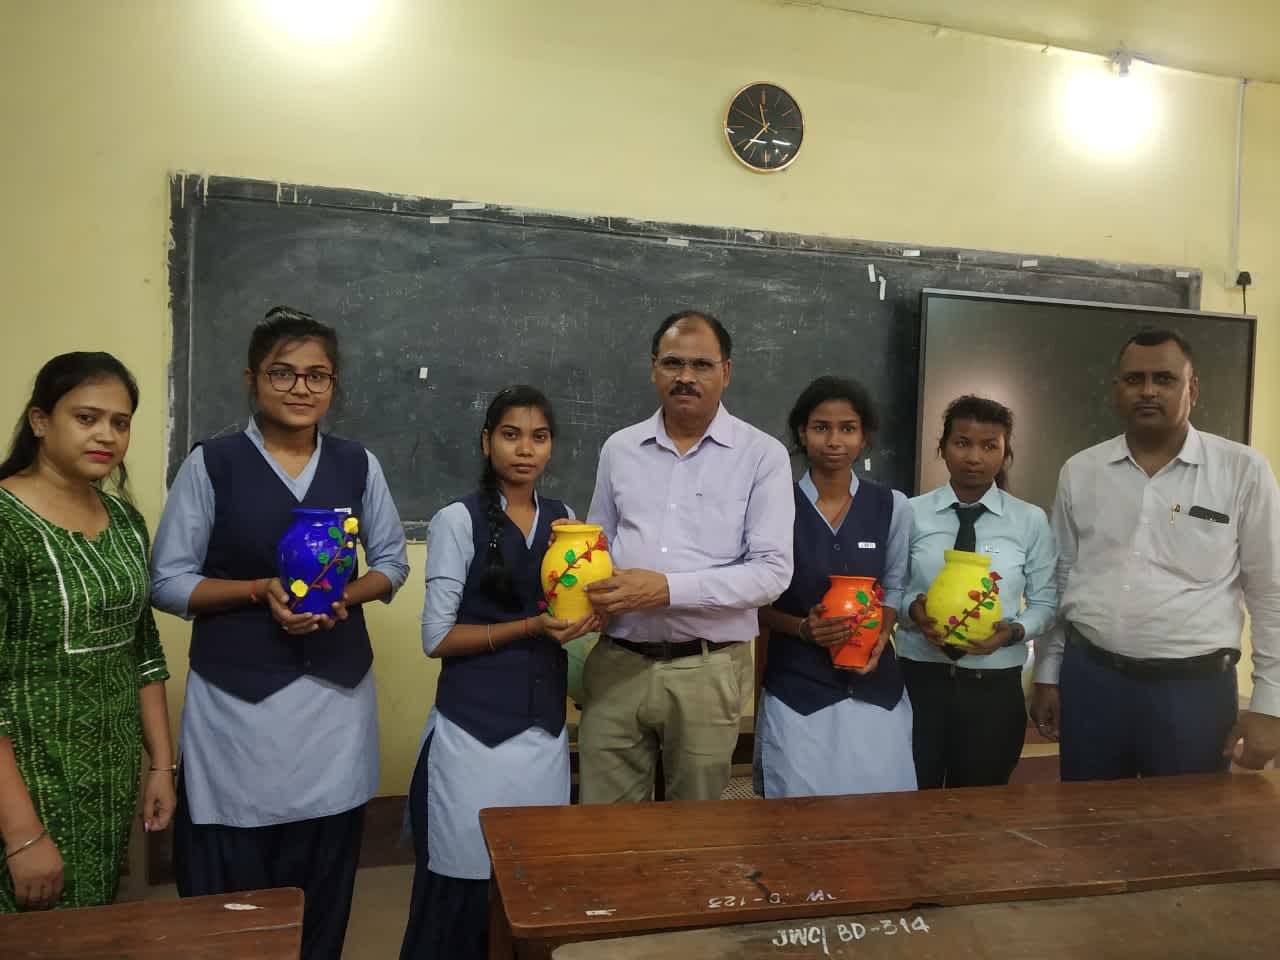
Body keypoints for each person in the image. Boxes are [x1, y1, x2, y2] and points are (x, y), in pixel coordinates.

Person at [150, 307, 409, 960]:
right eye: (283, 373)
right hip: (237, 706)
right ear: (251, 379)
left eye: (317, 375)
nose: (301, 388)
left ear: (334, 384)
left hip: (334, 702)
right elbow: (168, 581)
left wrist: (343, 595)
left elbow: (392, 563)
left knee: (322, 873)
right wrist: (257, 591)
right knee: (234, 882)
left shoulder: (358, 464)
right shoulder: (212, 464)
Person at [399, 385, 598, 960]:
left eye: (539, 437)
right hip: (471, 736)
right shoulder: (456, 520)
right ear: (487, 442)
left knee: (533, 891)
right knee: (461, 894)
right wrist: (531, 627)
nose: (525, 449)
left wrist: (594, 616)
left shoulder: (565, 522)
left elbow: (572, 612)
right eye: (511, 435)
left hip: (543, 734)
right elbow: (437, 638)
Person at [1031, 329, 1280, 778]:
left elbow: (1271, 592)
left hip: (1195, 692)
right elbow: (1060, 577)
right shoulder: (1080, 471)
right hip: (1092, 683)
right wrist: (1047, 672)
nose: (1148, 391)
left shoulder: (1243, 471)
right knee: (1088, 817)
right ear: (1116, 390)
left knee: (1188, 820)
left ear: (1192, 389)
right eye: (1134, 379)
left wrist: (1270, 703)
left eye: (1164, 379)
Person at [579, 310, 794, 804]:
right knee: (604, 825)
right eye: (673, 363)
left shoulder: (761, 456)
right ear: (653, 368)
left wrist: (666, 589)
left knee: (695, 829)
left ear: (726, 372)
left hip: (707, 668)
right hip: (618, 662)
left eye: (701, 365)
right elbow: (597, 546)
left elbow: (771, 573)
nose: (686, 377)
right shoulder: (619, 449)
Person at [0, 352, 175, 912]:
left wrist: (161, 766)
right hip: (24, 781)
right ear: (40, 421)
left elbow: (143, 649)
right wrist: (22, 833)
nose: (106, 435)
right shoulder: (6, 521)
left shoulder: (124, 521)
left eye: (120, 423)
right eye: (86, 418)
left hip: (107, 778)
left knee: (90, 926)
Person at [755, 376, 916, 797]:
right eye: (820, 427)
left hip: (875, 687)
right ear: (801, 434)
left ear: (864, 437)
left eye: (847, 428)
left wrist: (880, 637)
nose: (834, 440)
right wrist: (802, 628)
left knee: (879, 814)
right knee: (800, 816)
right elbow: (752, 601)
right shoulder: (774, 505)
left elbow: (894, 588)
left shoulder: (893, 506)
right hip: (798, 691)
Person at [899, 396, 1057, 789]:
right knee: (910, 798)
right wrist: (912, 613)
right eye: (962, 443)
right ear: (942, 448)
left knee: (981, 805)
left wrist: (1014, 631)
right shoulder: (909, 513)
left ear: (1006, 453)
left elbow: (1045, 603)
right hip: (919, 680)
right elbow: (891, 590)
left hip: (994, 690)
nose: (974, 457)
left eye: (989, 446)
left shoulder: (1029, 520)